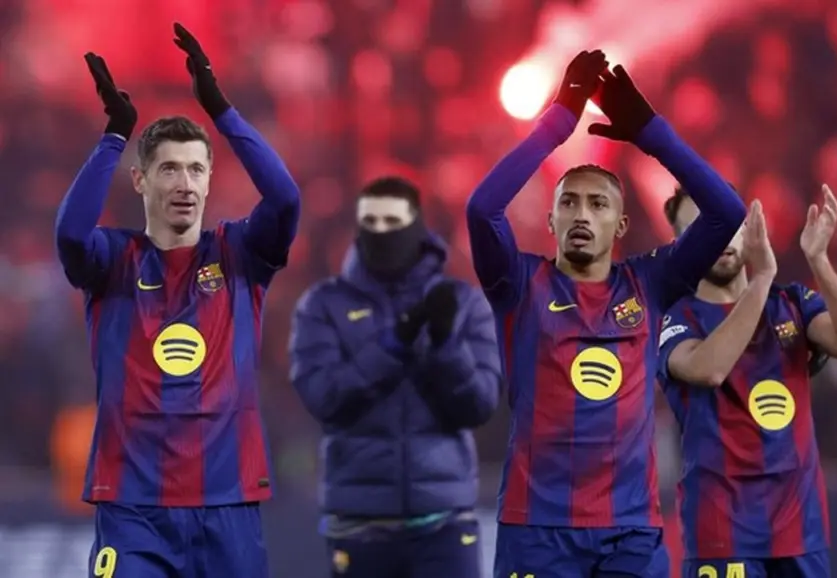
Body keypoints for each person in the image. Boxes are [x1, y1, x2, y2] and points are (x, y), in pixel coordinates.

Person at [466, 50, 747, 578]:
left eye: (598, 205)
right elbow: (482, 209)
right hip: (537, 529)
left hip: (629, 532)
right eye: (568, 202)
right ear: (550, 220)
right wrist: (558, 123)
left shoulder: (650, 282)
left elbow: (726, 213)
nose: (581, 213)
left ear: (620, 226)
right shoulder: (519, 283)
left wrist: (649, 133)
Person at [54, 24, 300, 578]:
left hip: (228, 505)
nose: (184, 183)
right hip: (133, 511)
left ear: (210, 180)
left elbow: (285, 199)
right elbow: (69, 233)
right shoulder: (113, 261)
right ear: (140, 181)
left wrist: (222, 111)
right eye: (169, 168)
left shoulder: (239, 254)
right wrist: (115, 135)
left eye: (195, 168)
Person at [658, 185, 837, 578]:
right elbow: (709, 369)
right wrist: (761, 280)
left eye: (725, 224)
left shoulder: (791, 304)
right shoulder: (677, 318)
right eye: (699, 230)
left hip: (800, 528)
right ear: (681, 246)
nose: (718, 238)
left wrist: (819, 261)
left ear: (748, 227)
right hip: (721, 531)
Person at [289, 176, 502, 578]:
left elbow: (479, 405)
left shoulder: (461, 302)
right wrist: (393, 345)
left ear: (416, 227)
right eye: (371, 222)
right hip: (359, 526)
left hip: (443, 524)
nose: (381, 232)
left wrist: (445, 346)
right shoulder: (323, 305)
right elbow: (324, 398)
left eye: (392, 222)